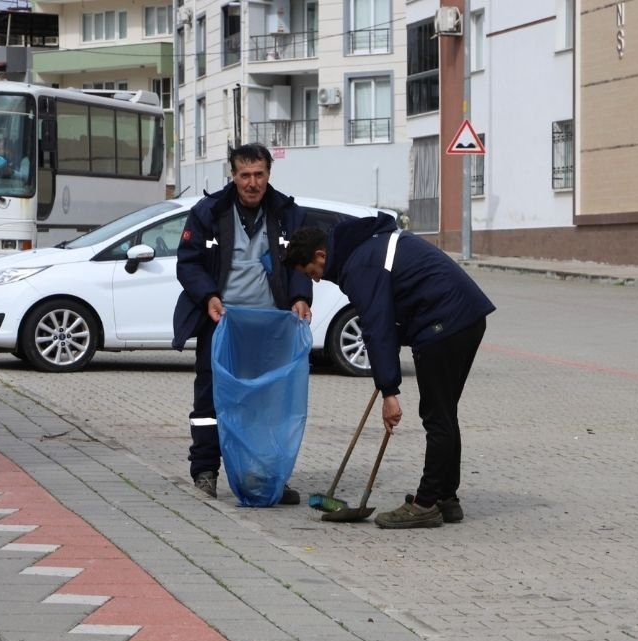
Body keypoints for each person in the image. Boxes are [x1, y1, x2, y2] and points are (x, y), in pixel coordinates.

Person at [284, 216, 495, 529]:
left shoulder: (359, 265)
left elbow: (377, 325)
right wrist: (387, 366)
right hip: (463, 317)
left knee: (437, 415)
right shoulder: (364, 249)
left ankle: (425, 504)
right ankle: (445, 499)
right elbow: (391, 313)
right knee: (444, 412)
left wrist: (389, 392)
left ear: (320, 255)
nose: (314, 280)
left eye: (311, 272)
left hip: (445, 323)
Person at [171, 143, 311, 505]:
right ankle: (205, 471)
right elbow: (188, 263)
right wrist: (208, 296)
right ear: (232, 175)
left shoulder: (287, 213)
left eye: (259, 174)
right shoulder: (209, 212)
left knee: (265, 403)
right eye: (245, 175)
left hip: (270, 327)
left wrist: (300, 297)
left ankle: (265, 476)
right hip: (222, 324)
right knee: (210, 399)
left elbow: (301, 261)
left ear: (269, 175)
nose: (252, 183)